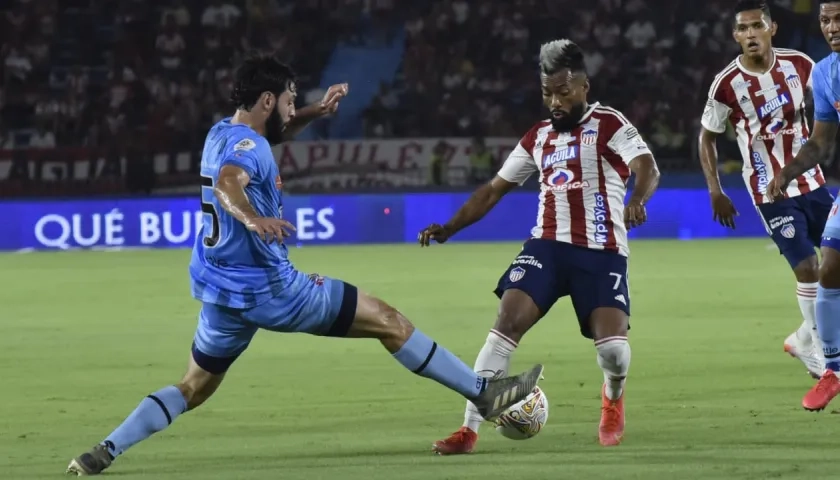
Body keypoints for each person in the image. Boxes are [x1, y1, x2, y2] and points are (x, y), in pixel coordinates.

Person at [65, 54, 544, 476]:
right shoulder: (246, 151)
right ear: (268, 99)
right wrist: (252, 218)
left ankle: (105, 450)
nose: (296, 108)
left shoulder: (222, 133)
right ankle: (482, 391)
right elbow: (230, 182)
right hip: (273, 290)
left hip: (221, 295)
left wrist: (315, 112)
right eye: (293, 100)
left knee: (192, 387)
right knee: (391, 323)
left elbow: (247, 154)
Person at [419, 39, 660, 452]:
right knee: (505, 324)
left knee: (615, 353)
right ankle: (469, 429)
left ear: (584, 86)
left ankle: (612, 399)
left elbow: (647, 167)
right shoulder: (538, 137)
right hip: (546, 246)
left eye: (563, 92)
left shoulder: (610, 124)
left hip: (601, 253)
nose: (554, 101)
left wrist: (637, 200)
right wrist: (450, 228)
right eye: (547, 93)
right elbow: (493, 190)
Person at [698, 0, 828, 379]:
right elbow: (707, 138)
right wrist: (714, 189)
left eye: (757, 26)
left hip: (812, 181)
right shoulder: (726, 85)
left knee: (834, 267)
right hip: (769, 193)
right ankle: (823, 354)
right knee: (808, 267)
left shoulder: (800, 64)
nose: (750, 34)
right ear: (736, 35)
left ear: (772, 28)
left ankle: (804, 337)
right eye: (743, 29)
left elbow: (824, 109)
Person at [766, 0, 840, 411]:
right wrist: (789, 171)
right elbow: (821, 140)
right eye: (825, 21)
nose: (832, 27)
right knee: (829, 268)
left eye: (839, 19)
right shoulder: (826, 73)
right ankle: (832, 370)